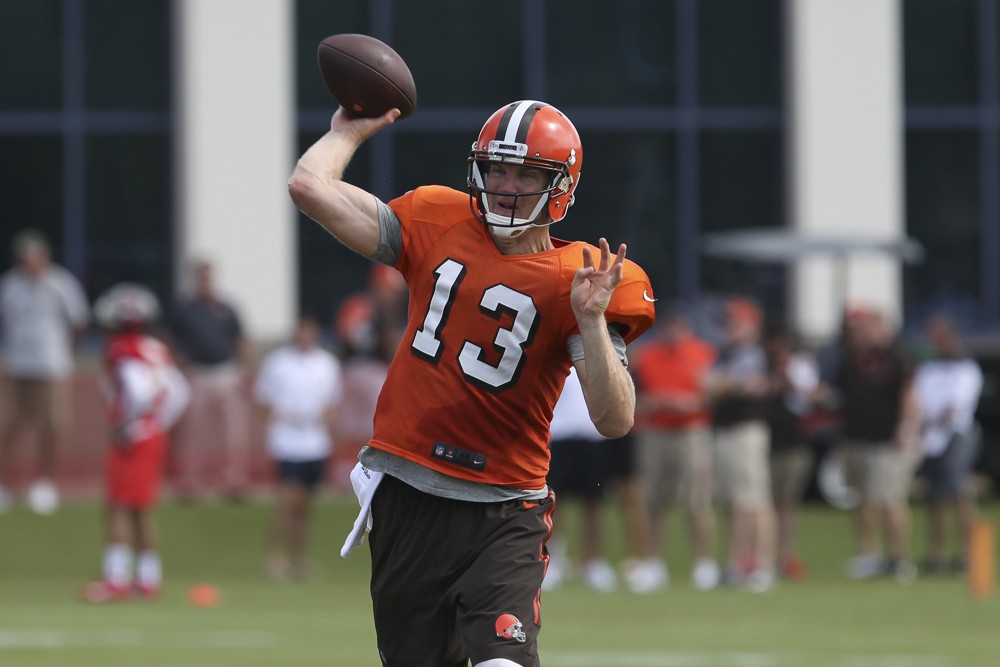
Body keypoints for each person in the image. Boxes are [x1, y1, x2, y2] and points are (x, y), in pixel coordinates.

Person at [288, 99, 655, 667]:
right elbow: (310, 187)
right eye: (497, 169)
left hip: (504, 508)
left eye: (526, 173)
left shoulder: (579, 280)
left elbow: (616, 418)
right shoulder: (438, 221)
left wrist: (590, 321)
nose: (506, 186)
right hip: (407, 494)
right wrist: (347, 131)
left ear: (559, 186)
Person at [81, 283, 190, 602]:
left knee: (118, 506)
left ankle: (116, 580)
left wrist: (130, 424)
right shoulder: (156, 348)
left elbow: (137, 390)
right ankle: (147, 580)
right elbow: (180, 392)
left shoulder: (122, 350)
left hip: (133, 437)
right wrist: (156, 424)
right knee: (142, 509)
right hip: (152, 434)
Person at [631, 303, 720, 591]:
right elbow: (633, 393)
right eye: (670, 326)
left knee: (696, 499)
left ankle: (704, 563)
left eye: (680, 326)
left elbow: (713, 395)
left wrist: (687, 403)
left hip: (690, 431)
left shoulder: (702, 353)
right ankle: (652, 562)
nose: (675, 332)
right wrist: (654, 403)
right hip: (656, 430)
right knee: (653, 499)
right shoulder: (648, 356)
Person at [0, 229, 90, 514]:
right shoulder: (10, 285)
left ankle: (45, 484)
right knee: (11, 426)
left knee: (51, 426)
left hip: (52, 366)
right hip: (19, 366)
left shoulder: (61, 283)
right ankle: (5, 485)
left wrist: (67, 352)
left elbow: (78, 320)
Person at [834, 306, 921, 581]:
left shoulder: (897, 356)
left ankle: (898, 559)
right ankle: (869, 554)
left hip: (888, 440)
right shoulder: (852, 358)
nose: (860, 333)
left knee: (890, 498)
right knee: (863, 498)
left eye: (865, 327)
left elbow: (910, 394)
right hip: (858, 436)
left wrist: (906, 428)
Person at [254, 315, 343, 580]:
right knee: (288, 499)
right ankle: (276, 556)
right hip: (287, 441)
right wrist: (283, 416)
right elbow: (262, 399)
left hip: (315, 443)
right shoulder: (278, 363)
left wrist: (321, 419)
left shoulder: (326, 364)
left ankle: (299, 559)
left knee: (305, 504)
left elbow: (332, 403)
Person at [704, 297, 777, 592]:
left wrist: (721, 384)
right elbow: (710, 386)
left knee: (754, 500)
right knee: (734, 502)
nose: (729, 330)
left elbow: (733, 385)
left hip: (746, 432)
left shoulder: (753, 354)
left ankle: (762, 564)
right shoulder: (727, 354)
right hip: (726, 431)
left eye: (735, 324)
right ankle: (738, 564)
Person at [167, 259, 252, 501]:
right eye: (201, 277)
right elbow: (170, 338)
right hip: (197, 373)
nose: (205, 282)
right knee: (193, 432)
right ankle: (189, 480)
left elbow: (240, 340)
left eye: (208, 277)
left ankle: (234, 479)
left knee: (233, 432)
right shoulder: (186, 309)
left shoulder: (226, 309)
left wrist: (245, 371)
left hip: (226, 372)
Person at [913, 314, 983, 575]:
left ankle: (969, 554)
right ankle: (937, 555)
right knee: (935, 497)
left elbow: (956, 406)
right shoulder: (928, 369)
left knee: (959, 493)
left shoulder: (965, 369)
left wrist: (930, 421)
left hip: (956, 435)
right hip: (931, 439)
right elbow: (919, 400)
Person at [762, 322, 819, 580]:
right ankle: (764, 556)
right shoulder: (760, 364)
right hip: (766, 442)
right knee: (764, 504)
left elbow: (808, 399)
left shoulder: (801, 366)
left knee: (786, 503)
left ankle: (783, 555)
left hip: (794, 443)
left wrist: (786, 377)